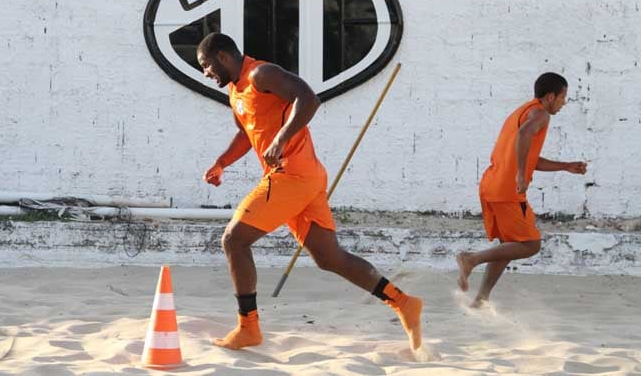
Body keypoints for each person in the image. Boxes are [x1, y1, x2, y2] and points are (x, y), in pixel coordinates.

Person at [196, 32, 423, 351]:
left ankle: (248, 327)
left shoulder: (261, 73)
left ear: (222, 56)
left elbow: (308, 98)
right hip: (306, 178)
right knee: (329, 257)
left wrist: (282, 139)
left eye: (206, 65)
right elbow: (247, 135)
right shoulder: (236, 91)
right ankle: (404, 302)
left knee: (234, 239)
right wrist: (221, 163)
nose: (205, 73)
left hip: (292, 174)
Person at [456, 72, 588, 307]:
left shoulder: (524, 111)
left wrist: (566, 166)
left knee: (509, 245)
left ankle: (481, 299)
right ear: (550, 96)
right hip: (508, 190)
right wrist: (519, 174)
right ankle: (470, 259)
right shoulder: (541, 114)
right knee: (531, 244)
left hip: (492, 184)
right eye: (563, 97)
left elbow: (529, 157)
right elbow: (523, 135)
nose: (564, 103)